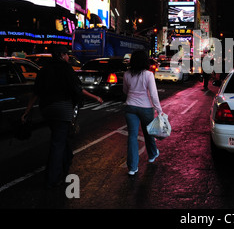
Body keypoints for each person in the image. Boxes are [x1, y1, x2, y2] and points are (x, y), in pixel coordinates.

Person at [21, 46, 103, 188]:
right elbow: (78, 89)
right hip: (62, 109)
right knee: (57, 143)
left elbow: (36, 92)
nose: (68, 58)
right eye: (67, 55)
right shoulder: (66, 69)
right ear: (61, 55)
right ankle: (52, 178)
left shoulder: (44, 69)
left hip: (46, 109)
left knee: (61, 136)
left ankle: (66, 161)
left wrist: (27, 111)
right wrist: (96, 97)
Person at [123, 50, 164, 176]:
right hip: (146, 108)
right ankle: (152, 155)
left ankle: (132, 167)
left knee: (132, 136)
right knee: (148, 133)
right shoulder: (148, 75)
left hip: (130, 107)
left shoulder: (127, 74)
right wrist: (159, 109)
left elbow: (125, 91)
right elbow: (153, 94)